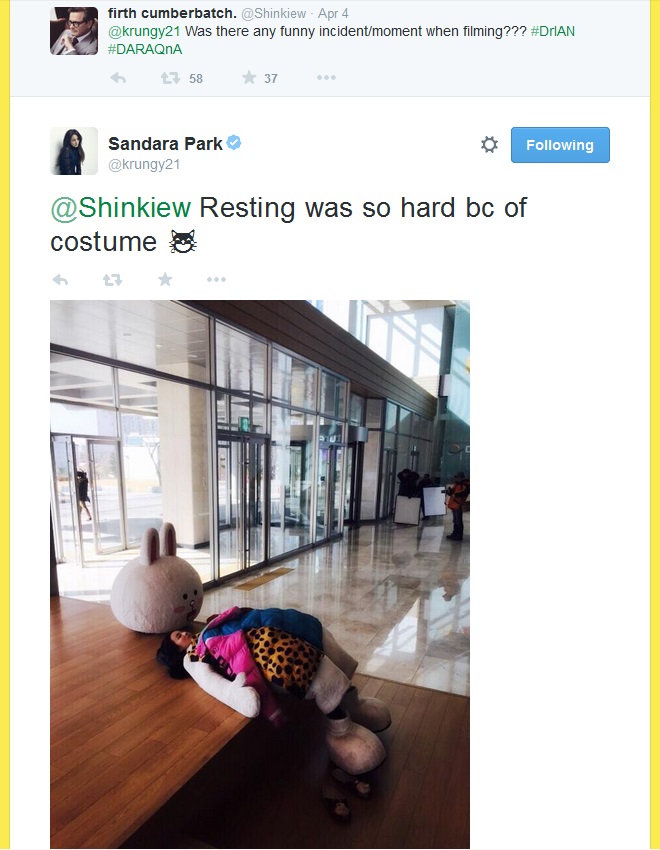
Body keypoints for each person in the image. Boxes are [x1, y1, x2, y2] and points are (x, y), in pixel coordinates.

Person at [445, 471, 469, 541]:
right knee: (455, 521)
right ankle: (455, 533)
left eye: (457, 477)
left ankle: (458, 535)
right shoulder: (458, 484)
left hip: (458, 504)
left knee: (458, 521)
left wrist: (454, 494)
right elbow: (454, 491)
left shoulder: (465, 484)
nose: (456, 478)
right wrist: (450, 491)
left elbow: (463, 493)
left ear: (461, 477)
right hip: (455, 504)